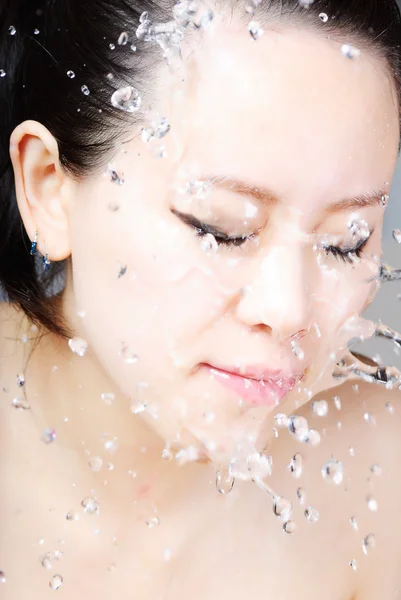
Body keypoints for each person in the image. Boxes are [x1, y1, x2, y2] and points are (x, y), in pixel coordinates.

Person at [1, 0, 401, 597]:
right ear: (48, 188)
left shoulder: (382, 475)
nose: (288, 309)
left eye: (347, 243)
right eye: (222, 228)